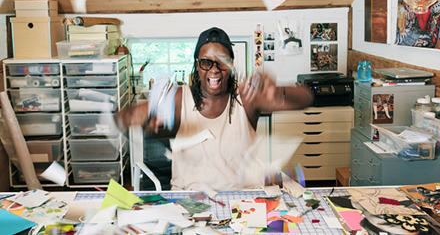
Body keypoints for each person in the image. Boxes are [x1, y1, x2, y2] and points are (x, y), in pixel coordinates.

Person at [116, 27, 313, 192]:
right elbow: (122, 117)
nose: (214, 69)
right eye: (206, 62)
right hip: (189, 200)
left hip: (242, 200)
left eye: (222, 62)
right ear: (197, 65)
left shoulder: (246, 97)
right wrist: (141, 118)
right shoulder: (178, 98)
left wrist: (275, 92)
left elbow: (306, 97)